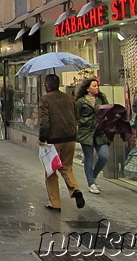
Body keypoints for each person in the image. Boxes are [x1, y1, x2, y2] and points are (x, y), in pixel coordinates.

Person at [38, 73, 85, 211]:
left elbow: (44, 122)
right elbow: (76, 116)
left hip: (54, 140)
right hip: (70, 138)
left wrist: (42, 137)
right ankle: (75, 189)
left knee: (51, 171)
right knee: (66, 167)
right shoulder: (69, 98)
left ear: (47, 85)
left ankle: (55, 203)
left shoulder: (45, 99)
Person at [75, 78, 109, 194]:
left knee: (104, 155)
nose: (97, 88)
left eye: (97, 86)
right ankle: (91, 183)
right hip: (86, 132)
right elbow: (76, 116)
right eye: (94, 86)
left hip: (99, 132)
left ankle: (93, 176)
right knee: (88, 158)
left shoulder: (101, 100)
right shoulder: (81, 101)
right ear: (87, 88)